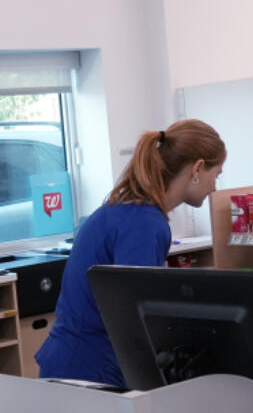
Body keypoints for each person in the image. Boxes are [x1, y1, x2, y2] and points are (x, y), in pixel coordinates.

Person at [36, 119, 225, 386]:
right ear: (197, 168)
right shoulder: (145, 224)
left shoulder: (125, 210)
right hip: (92, 368)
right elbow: (135, 315)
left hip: (72, 360)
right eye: (216, 175)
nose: (215, 187)